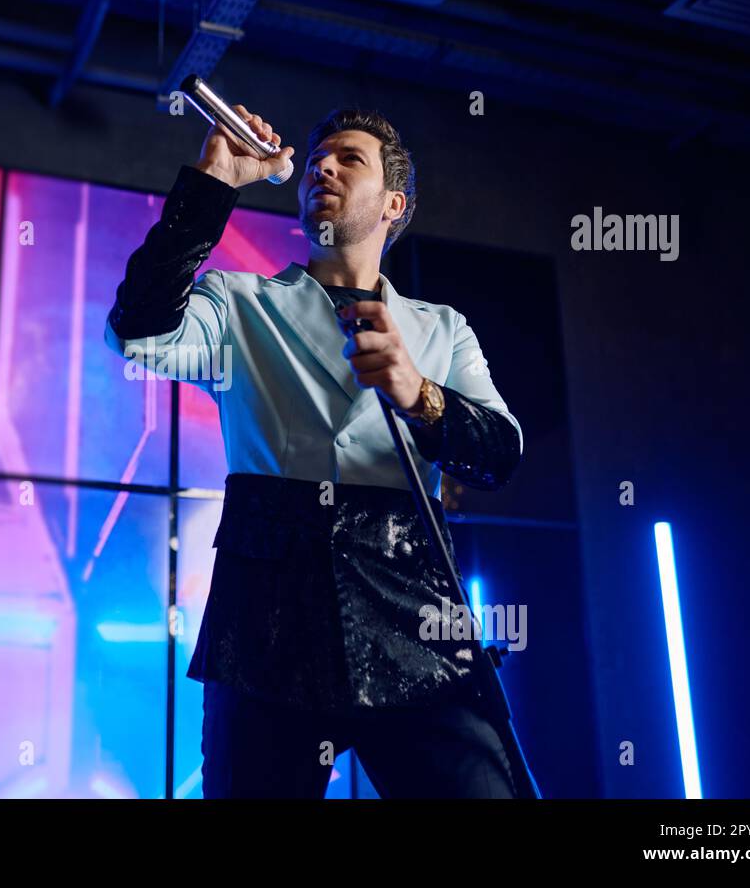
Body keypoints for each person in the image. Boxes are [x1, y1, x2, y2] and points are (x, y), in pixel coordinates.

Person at [104, 102, 526, 798]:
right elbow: (138, 332)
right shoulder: (237, 304)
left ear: (394, 203)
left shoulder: (441, 331)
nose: (320, 167)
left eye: (348, 158)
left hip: (414, 612)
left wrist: (420, 393)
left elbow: (500, 454)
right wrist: (217, 179)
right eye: (315, 160)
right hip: (265, 623)